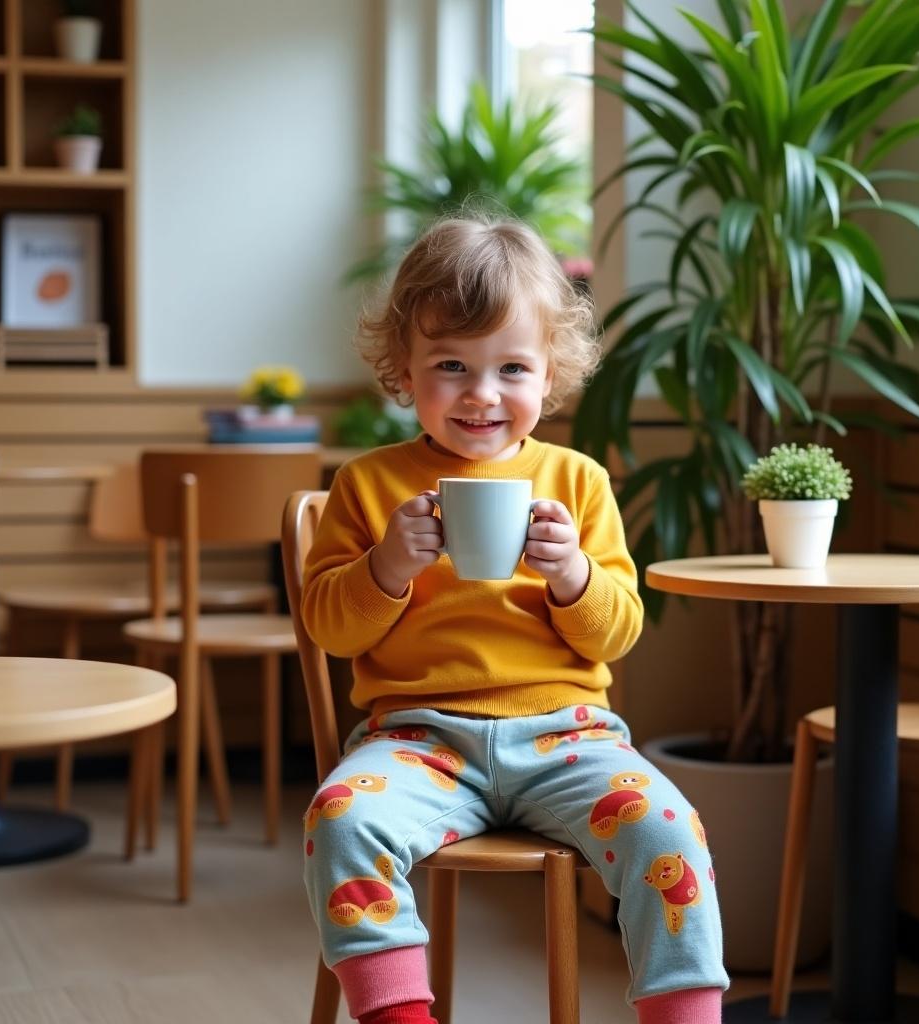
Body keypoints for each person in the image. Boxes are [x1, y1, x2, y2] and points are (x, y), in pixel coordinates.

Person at [302, 215, 729, 1024]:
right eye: (451, 365)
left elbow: (617, 632)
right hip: (418, 740)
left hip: (569, 736)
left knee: (670, 834)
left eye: (512, 368)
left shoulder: (579, 481)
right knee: (340, 819)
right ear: (405, 367)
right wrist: (387, 565)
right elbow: (333, 629)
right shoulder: (366, 486)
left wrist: (571, 574)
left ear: (552, 372)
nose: (481, 393)